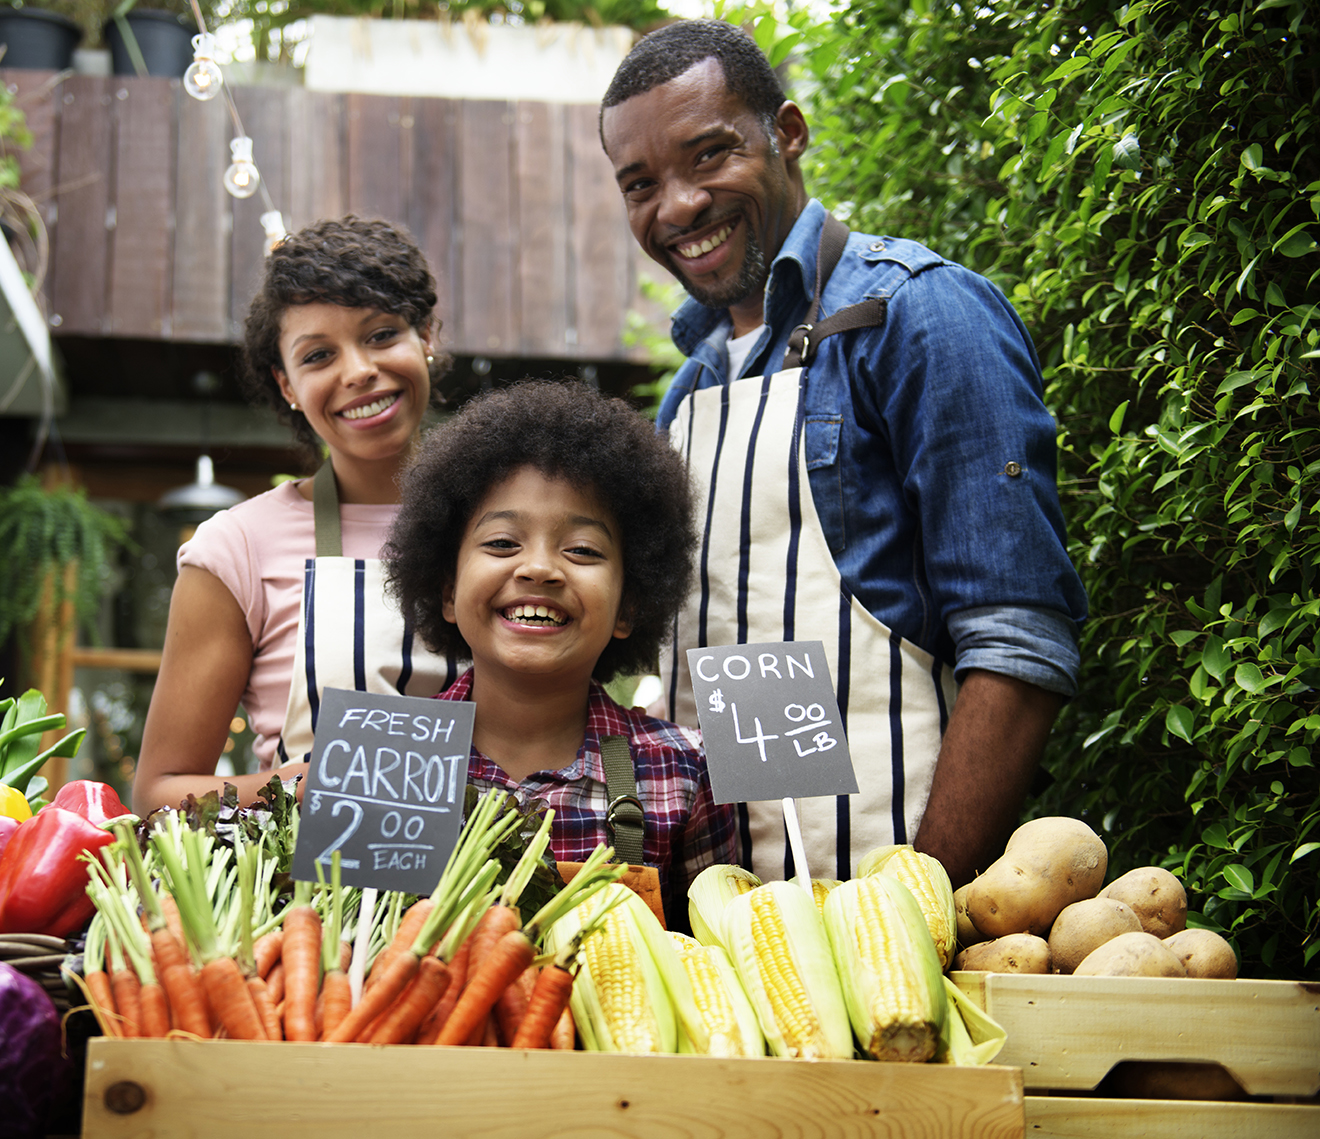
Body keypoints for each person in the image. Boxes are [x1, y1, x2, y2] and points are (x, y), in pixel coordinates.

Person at [598, 20, 1088, 886]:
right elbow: (726, 660)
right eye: (642, 184)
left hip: (901, 908)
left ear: (786, 134)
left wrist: (917, 908)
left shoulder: (920, 314)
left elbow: (1019, 643)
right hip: (725, 923)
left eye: (708, 156)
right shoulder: (688, 397)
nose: (675, 206)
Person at [383, 380, 740, 927]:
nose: (539, 568)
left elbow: (715, 963)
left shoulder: (687, 770)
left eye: (581, 550)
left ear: (629, 606)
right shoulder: (381, 759)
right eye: (503, 543)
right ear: (447, 591)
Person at [133, 217, 458, 815]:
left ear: (427, 336)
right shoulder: (236, 548)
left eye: (382, 334)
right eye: (318, 355)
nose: (358, 370)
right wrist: (315, 783)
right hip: (316, 894)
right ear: (286, 384)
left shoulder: (506, 522)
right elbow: (160, 793)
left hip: (506, 890)